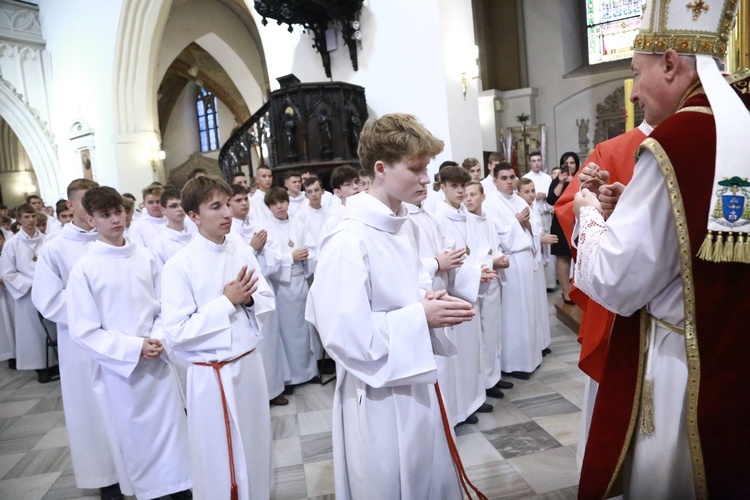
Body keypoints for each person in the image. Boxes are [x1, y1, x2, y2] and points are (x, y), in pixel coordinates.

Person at [573, 1, 749, 497]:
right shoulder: (740, 125)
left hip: (684, 369)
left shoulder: (677, 140)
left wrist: (589, 210)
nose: (635, 94)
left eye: (637, 73)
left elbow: (615, 280)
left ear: (670, 63)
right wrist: (645, 207)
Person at [306, 113, 478, 499]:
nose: (425, 179)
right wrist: (420, 316)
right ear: (380, 168)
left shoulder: (403, 223)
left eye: (427, 168)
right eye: (415, 168)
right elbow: (343, 334)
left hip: (413, 381)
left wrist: (427, 303)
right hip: (377, 394)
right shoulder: (348, 238)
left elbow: (400, 293)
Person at [66, 187, 192, 499]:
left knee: (174, 439)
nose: (114, 219)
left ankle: (182, 490)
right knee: (138, 442)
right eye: (105, 215)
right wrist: (135, 348)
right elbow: (84, 331)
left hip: (159, 363)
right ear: (92, 220)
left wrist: (158, 338)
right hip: (122, 371)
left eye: (118, 212)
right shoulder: (86, 268)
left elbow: (167, 305)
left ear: (126, 212)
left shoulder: (146, 257)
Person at [161, 175, 275, 499]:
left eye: (227, 204)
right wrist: (227, 302)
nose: (227, 213)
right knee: (219, 462)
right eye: (216, 206)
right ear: (193, 216)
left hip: (249, 368)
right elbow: (176, 331)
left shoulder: (241, 251)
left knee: (255, 448)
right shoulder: (178, 266)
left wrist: (249, 299)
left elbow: (266, 300)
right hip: (212, 376)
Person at [31, 179, 126, 498]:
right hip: (81, 346)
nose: (96, 209)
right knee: (93, 412)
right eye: (89, 203)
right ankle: (108, 478)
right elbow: (47, 299)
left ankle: (139, 471)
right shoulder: (55, 248)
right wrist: (91, 315)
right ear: (71, 207)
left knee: (127, 408)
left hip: (122, 338)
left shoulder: (119, 240)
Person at [434, 165, 497, 425]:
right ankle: (457, 411)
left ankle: (474, 400)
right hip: (454, 292)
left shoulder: (467, 214)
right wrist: (474, 275)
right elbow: (448, 259)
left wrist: (483, 268)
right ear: (443, 187)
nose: (460, 192)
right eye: (454, 187)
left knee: (473, 350)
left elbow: (480, 248)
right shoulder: (439, 217)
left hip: (471, 288)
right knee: (457, 358)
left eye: (463, 186)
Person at [227, 183, 289, 407]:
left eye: (245, 199)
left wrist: (261, 249)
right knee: (256, 347)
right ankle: (259, 396)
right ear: (228, 204)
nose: (244, 203)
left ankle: (275, 389)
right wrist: (252, 248)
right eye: (238, 200)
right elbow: (233, 265)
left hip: (263, 289)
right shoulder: (229, 231)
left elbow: (274, 258)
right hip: (243, 296)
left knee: (270, 344)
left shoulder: (258, 224)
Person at [483, 163, 543, 379]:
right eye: (504, 178)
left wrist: (527, 226)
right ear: (495, 181)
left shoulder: (519, 199)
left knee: (529, 310)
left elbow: (535, 228)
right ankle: (514, 363)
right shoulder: (490, 204)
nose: (509, 182)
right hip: (511, 261)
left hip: (526, 259)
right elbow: (497, 236)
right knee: (514, 313)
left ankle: (531, 358)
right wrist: (516, 222)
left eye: (512, 177)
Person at [263, 186, 320, 390]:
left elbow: (312, 248)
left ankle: (309, 371)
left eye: (282, 201)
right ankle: (292, 377)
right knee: (287, 333)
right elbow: (267, 260)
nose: (280, 206)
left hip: (300, 282)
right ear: (269, 207)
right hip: (282, 287)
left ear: (288, 202)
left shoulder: (298, 223)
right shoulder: (265, 229)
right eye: (274, 203)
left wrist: (306, 257)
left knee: (306, 329)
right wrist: (290, 257)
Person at [464, 181, 513, 394]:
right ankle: (484, 381)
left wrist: (500, 257)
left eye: (473, 194)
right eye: (465, 195)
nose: (468, 199)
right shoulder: (465, 222)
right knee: (482, 333)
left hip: (493, 280)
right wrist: (493, 261)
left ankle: (494, 375)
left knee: (494, 329)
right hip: (477, 283)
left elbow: (493, 247)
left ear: (483, 197)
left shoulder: (488, 219)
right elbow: (471, 255)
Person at [0, 203, 58, 382]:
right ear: (19, 219)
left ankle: (55, 361)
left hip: (48, 291)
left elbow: (55, 263)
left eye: (33, 216)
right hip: (27, 294)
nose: (31, 220)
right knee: (33, 332)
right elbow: (8, 272)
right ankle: (40, 366)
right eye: (26, 217)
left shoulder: (47, 240)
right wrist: (31, 284)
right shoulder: (12, 244)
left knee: (51, 328)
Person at [517, 178, 557, 355]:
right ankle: (534, 344)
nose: (532, 195)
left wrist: (541, 238)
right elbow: (523, 233)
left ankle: (542, 340)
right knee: (533, 303)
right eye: (527, 191)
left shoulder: (534, 208)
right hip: (528, 260)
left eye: (533, 191)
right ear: (519, 193)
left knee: (541, 302)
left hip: (538, 259)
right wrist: (540, 239)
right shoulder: (520, 208)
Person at [546, 152, 579, 303]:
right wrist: (560, 182)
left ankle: (580, 291)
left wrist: (573, 182)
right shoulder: (557, 180)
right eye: (566, 163)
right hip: (560, 222)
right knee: (562, 257)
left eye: (572, 163)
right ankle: (566, 292)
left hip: (577, 221)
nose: (570, 166)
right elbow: (551, 199)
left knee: (580, 258)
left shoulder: (580, 178)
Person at [148, 187, 191, 268]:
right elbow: (160, 273)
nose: (180, 209)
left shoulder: (195, 236)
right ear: (163, 210)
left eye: (182, 205)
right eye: (174, 206)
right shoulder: (159, 243)